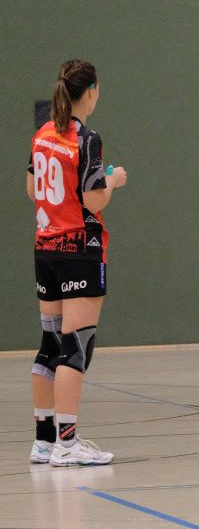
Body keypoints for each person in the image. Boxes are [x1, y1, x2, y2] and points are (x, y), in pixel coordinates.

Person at [27, 59, 127, 466]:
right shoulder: (86, 139)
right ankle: (67, 442)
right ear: (90, 92)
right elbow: (92, 198)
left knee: (50, 344)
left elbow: (33, 189)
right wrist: (112, 181)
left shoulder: (43, 134)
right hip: (79, 249)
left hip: (46, 247)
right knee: (76, 345)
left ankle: (43, 440)